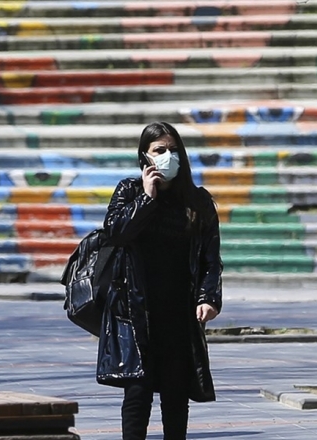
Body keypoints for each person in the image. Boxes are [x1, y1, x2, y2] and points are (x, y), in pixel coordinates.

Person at [97, 121, 223, 440]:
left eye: (173, 150)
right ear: (145, 157)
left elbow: (211, 258)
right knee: (137, 394)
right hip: (135, 311)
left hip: (179, 314)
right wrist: (147, 199)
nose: (168, 156)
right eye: (160, 150)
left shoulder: (198, 202)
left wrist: (209, 298)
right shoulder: (129, 191)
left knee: (175, 397)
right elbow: (115, 235)